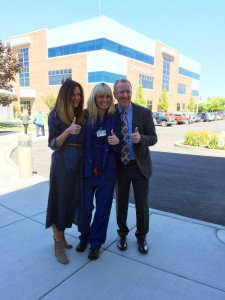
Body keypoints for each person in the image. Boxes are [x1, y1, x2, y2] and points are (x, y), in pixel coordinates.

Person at [76, 82, 121, 260]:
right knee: (86, 208)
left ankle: (95, 243)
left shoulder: (115, 116)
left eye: (107, 96)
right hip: (87, 172)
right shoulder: (85, 116)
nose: (105, 100)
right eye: (101, 96)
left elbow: (121, 142)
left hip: (107, 173)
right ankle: (84, 237)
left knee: (103, 210)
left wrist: (117, 143)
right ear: (94, 98)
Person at [113, 78, 157, 254]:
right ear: (115, 95)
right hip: (120, 166)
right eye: (121, 92)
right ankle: (122, 234)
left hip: (140, 166)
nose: (125, 95)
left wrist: (141, 139)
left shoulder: (144, 113)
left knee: (142, 204)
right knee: (121, 204)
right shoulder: (109, 114)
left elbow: (153, 138)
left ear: (131, 93)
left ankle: (142, 236)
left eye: (128, 91)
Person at [46, 80, 85, 265]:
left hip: (78, 165)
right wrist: (68, 131)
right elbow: (53, 143)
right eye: (73, 95)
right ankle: (58, 244)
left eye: (79, 95)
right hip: (62, 164)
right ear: (65, 95)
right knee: (58, 203)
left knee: (70, 203)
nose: (77, 98)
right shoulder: (55, 115)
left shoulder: (80, 114)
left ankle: (60, 237)